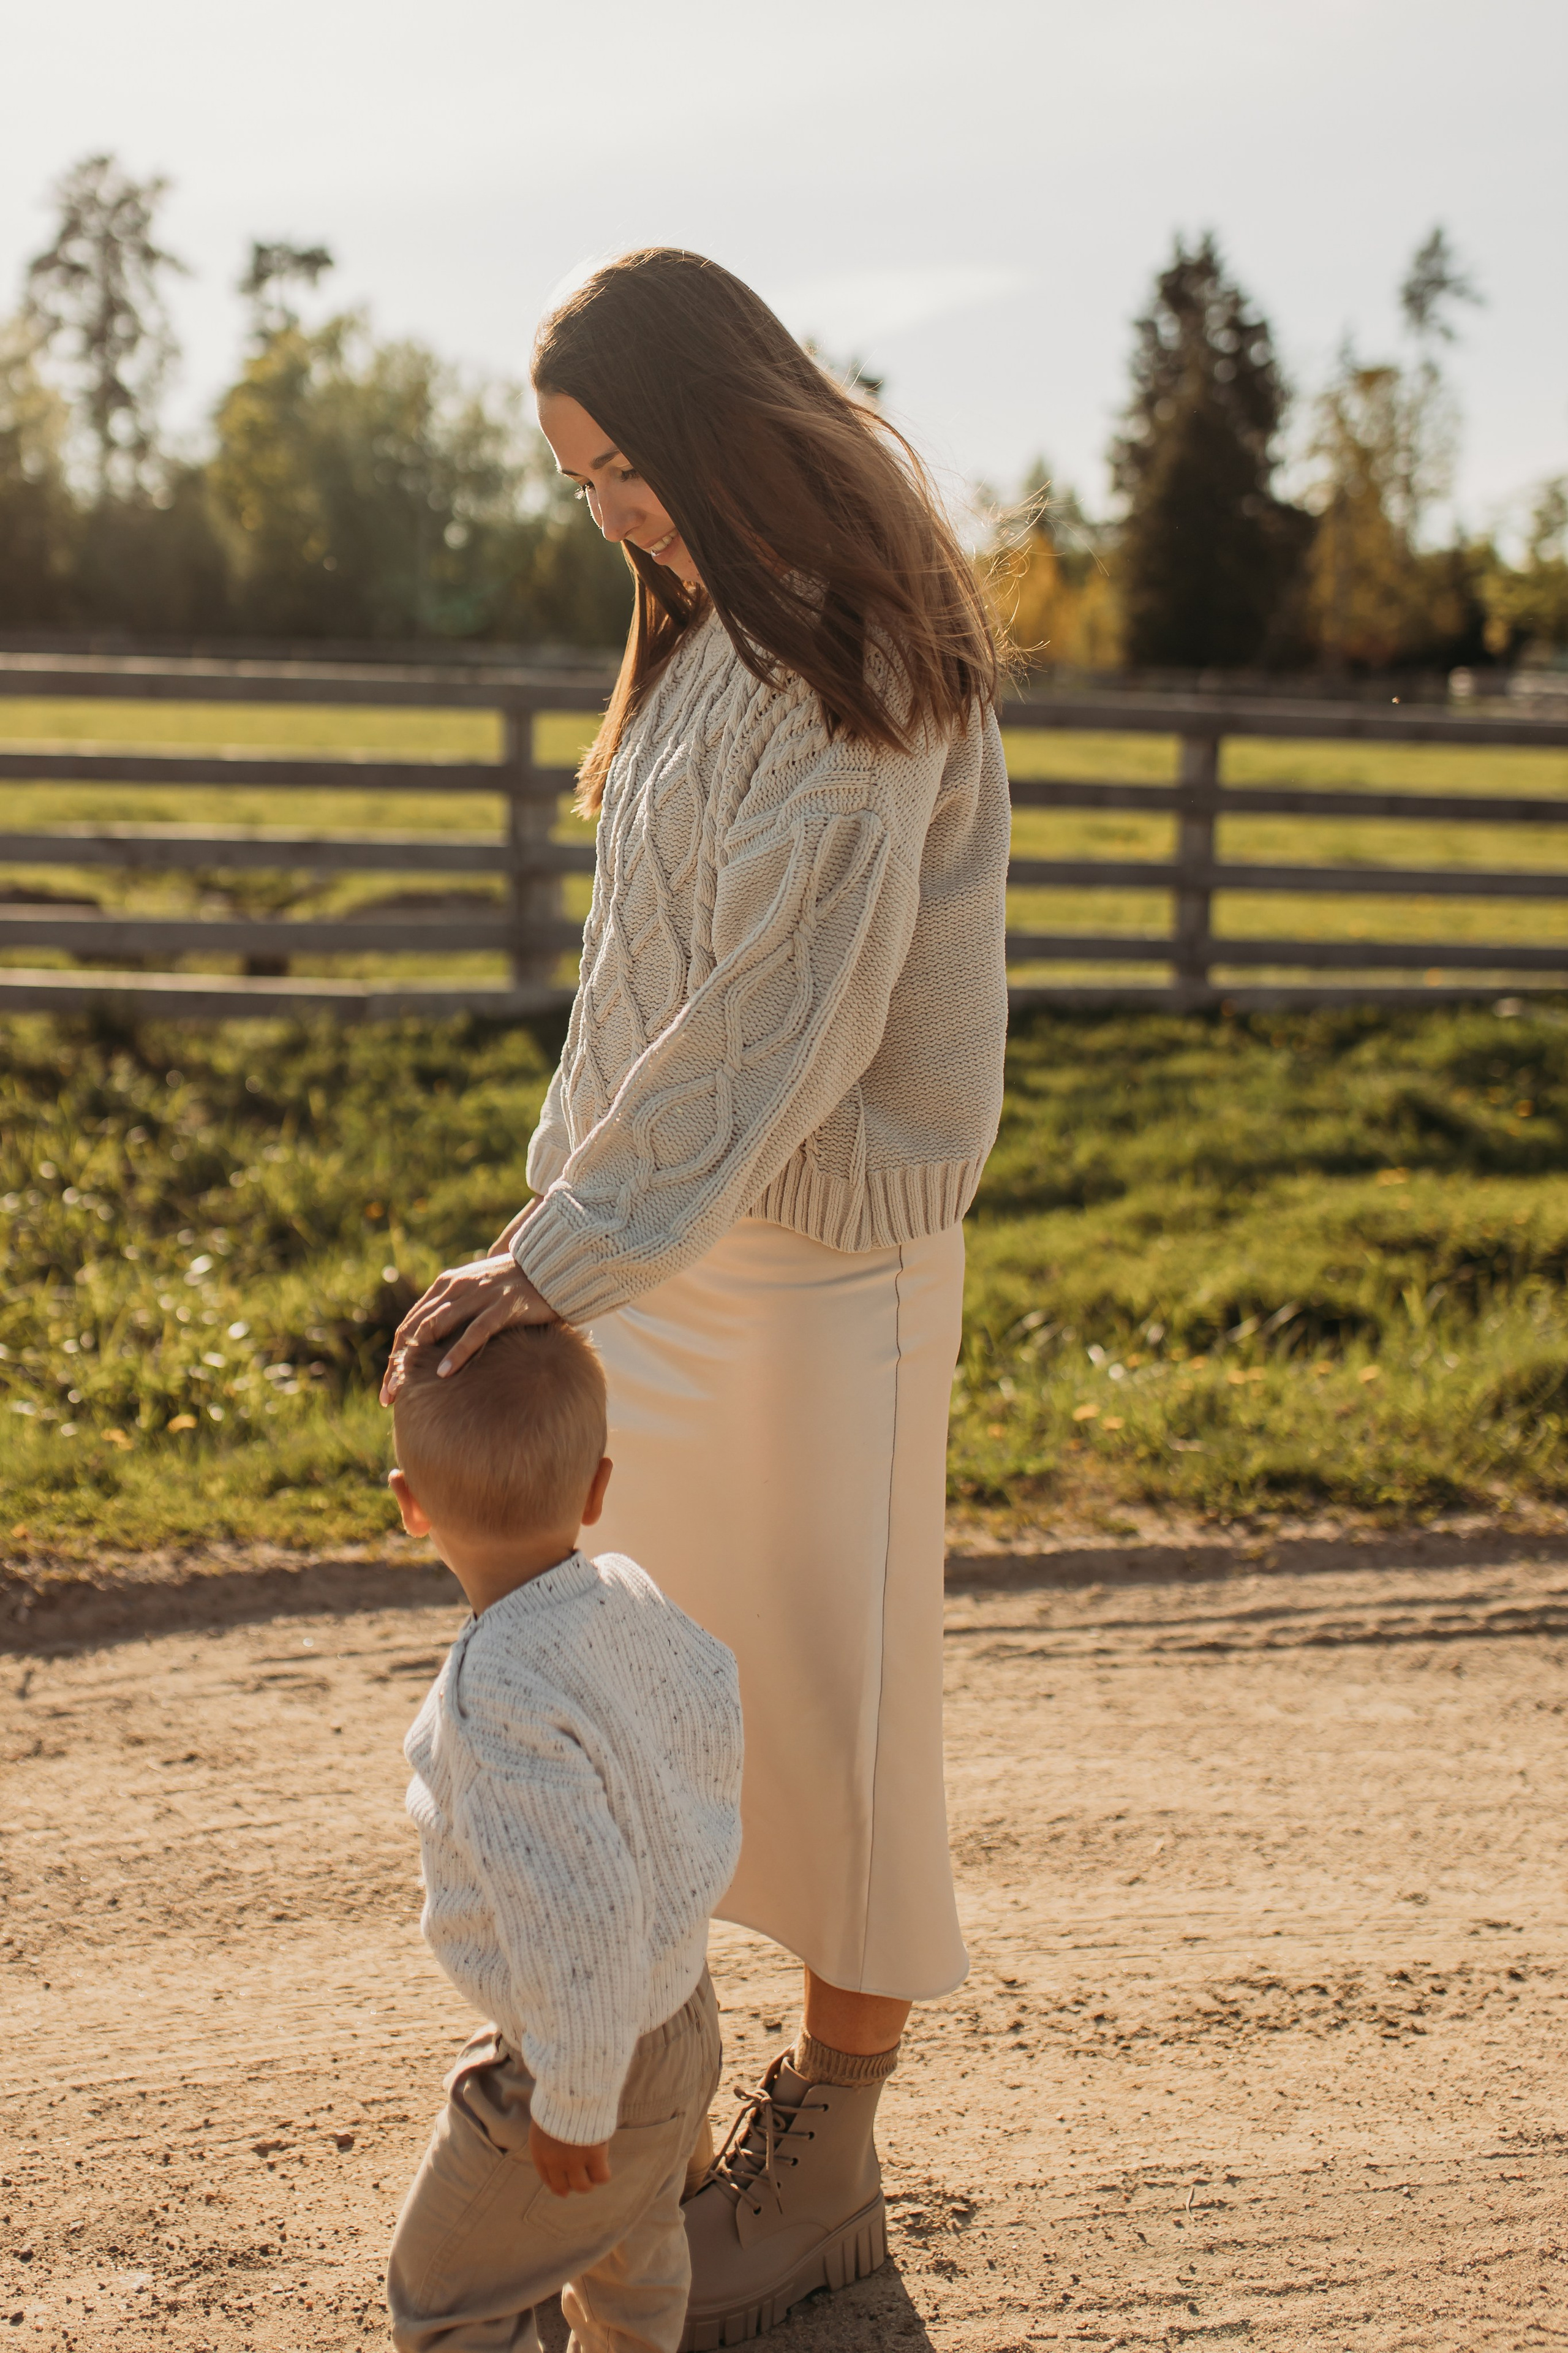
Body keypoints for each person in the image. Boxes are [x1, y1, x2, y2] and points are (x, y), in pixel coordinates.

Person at [383, 246, 1011, 2345]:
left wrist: (556, 1252)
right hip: (662, 1248)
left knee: (837, 1722)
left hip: (823, 1266)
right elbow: (641, 991)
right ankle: (638, 2098)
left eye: (628, 467)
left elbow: (775, 1031)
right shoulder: (707, 628)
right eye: (583, 486)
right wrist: (555, 1230)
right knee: (639, 1696)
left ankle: (825, 2170)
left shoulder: (865, 649)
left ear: (729, 420)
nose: (610, 517)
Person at [385, 1320, 744, 2353]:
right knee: (633, 2253)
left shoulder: (499, 1695)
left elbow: (577, 1917)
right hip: (679, 2013)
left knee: (446, 2290)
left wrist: (576, 2096)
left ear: (410, 1504)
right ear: (596, 1488)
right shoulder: (626, 1591)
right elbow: (710, 1700)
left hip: (593, 2053)